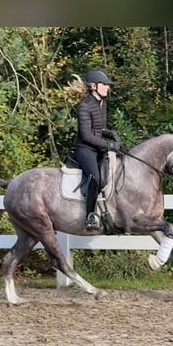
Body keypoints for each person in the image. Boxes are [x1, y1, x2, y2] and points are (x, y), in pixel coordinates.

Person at [72, 68, 121, 230]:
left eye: (107, 85)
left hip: (98, 147)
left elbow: (99, 129)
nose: (107, 87)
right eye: (104, 84)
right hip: (85, 149)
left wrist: (110, 134)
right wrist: (108, 145)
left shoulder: (102, 103)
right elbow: (86, 135)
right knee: (96, 177)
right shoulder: (84, 106)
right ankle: (90, 216)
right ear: (93, 86)